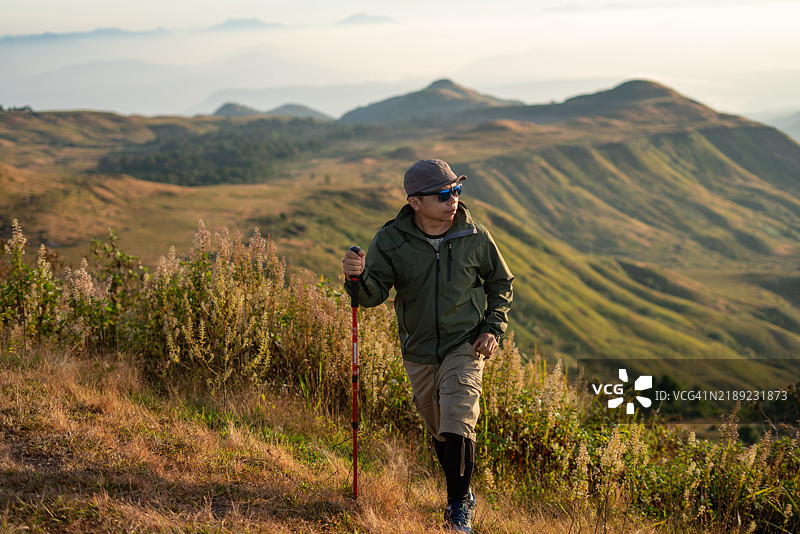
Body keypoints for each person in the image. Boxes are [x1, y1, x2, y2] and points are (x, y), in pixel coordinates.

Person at [341, 159, 514, 532]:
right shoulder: (390, 240)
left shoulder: (475, 236)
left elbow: (501, 284)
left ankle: (456, 509)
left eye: (457, 190)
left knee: (458, 420)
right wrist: (354, 277)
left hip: (464, 346)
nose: (453, 199)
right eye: (443, 194)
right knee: (440, 431)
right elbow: (370, 296)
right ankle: (463, 493)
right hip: (418, 350)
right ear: (415, 202)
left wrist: (492, 329)